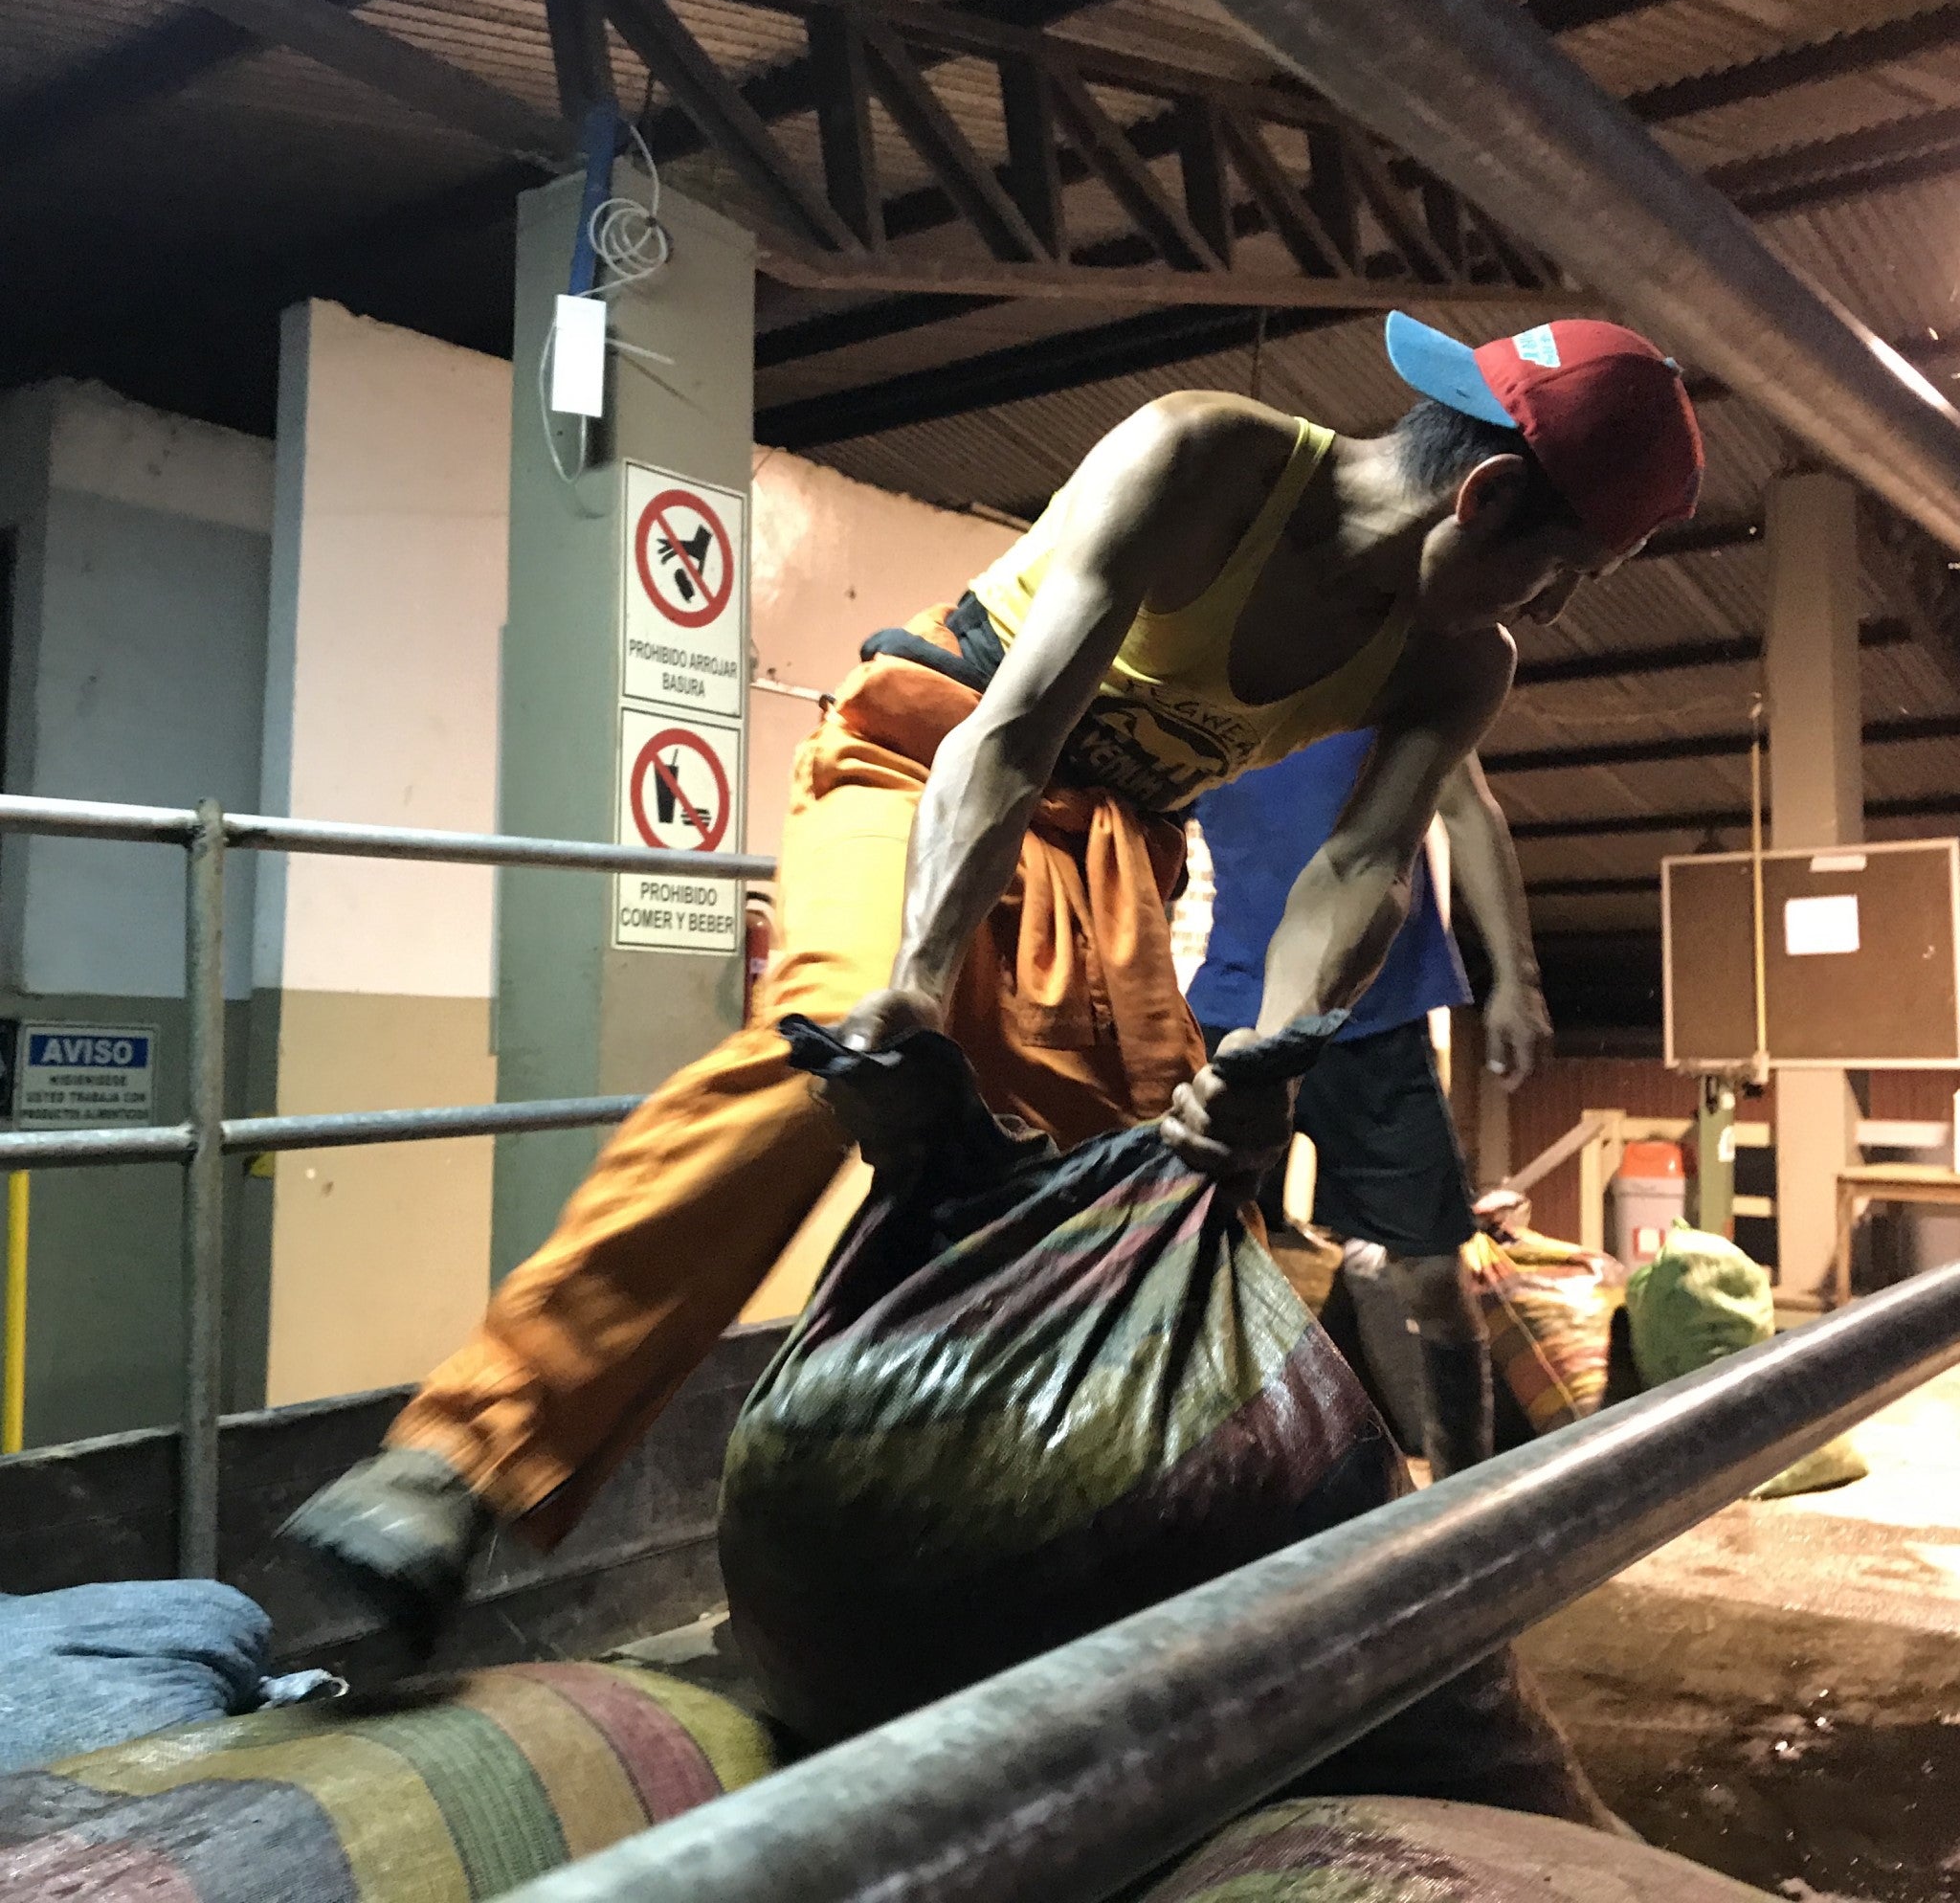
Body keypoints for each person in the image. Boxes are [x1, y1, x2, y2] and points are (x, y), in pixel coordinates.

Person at [286, 313, 1703, 1645]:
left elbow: (1361, 871)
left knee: (1135, 1197)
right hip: (934, 759)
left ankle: (1016, 1587)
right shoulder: (1205, 460)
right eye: (1567, 567)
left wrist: (1266, 1065)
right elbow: (1011, 729)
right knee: (830, 1060)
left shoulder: (1461, 665)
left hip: (1113, 857)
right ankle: (457, 1462)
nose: (1557, 605)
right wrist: (910, 988)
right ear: (1491, 503)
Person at [1189, 735, 1548, 1476]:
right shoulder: (1208, 679)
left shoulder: (1395, 661)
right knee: (1201, 1264)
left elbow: (1469, 813)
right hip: (1236, 1013)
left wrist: (1518, 977)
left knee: (1431, 1279)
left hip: (1378, 1014)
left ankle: (1457, 1500)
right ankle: (1214, 1492)